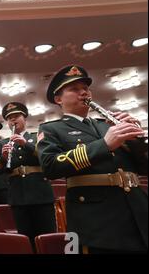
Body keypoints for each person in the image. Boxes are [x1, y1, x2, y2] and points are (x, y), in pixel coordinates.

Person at [37, 65, 148, 253]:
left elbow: (143, 168)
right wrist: (104, 145)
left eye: (86, 88)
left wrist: (137, 139)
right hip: (97, 218)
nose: (83, 93)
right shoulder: (51, 129)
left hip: (138, 209)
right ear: (58, 99)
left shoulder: (108, 126)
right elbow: (51, 167)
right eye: (74, 89)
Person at [0, 102, 56, 250]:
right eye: (9, 118)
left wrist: (26, 145)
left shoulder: (38, 137)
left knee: (47, 235)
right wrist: (4, 158)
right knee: (25, 236)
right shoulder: (3, 142)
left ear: (25, 118)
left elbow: (46, 159)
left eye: (16, 116)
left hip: (40, 192)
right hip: (18, 194)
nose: (13, 120)